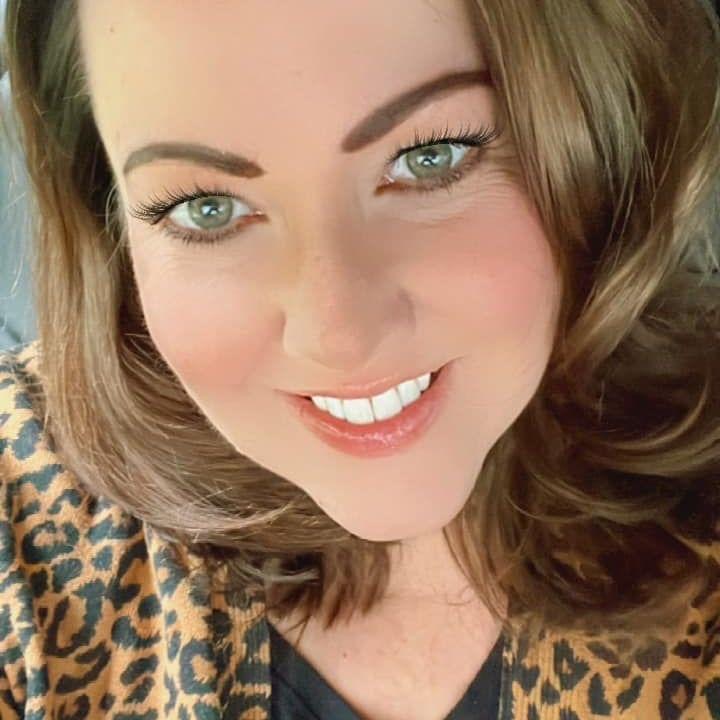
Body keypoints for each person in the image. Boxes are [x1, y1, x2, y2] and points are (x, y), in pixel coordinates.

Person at [0, 0, 719, 718]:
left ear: (600, 136)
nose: (336, 335)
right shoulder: (20, 504)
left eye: (430, 159)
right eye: (207, 208)